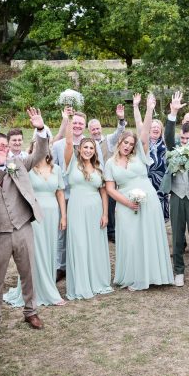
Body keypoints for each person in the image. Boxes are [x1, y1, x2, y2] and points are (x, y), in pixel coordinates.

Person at [0, 107, 50, 338]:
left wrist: (39, 129)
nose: (1, 149)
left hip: (23, 227)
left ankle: (30, 311)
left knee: (28, 272)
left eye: (4, 146)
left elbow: (39, 154)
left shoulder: (18, 163)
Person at [105, 94, 173, 290]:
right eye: (125, 143)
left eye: (130, 144)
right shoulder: (110, 163)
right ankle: (133, 276)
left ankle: (153, 274)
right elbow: (110, 189)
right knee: (130, 239)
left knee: (149, 236)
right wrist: (126, 203)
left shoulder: (139, 155)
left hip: (148, 199)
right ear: (119, 143)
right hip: (125, 204)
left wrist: (147, 108)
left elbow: (143, 133)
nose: (127, 146)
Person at [3, 144, 67, 306]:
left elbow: (60, 192)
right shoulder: (27, 169)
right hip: (33, 215)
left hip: (52, 215)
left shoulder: (57, 169)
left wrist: (63, 216)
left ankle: (49, 287)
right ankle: (32, 291)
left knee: (50, 249)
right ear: (32, 151)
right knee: (35, 251)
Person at [159, 92, 189, 287]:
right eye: (183, 138)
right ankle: (179, 270)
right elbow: (168, 137)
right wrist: (173, 113)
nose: (186, 141)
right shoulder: (175, 147)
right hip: (177, 195)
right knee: (177, 234)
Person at [64, 123, 113, 299]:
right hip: (76, 208)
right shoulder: (71, 164)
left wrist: (105, 213)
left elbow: (104, 192)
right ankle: (81, 283)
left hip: (95, 209)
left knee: (94, 245)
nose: (88, 150)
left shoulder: (99, 169)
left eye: (91, 148)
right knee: (79, 244)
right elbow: (69, 143)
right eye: (85, 147)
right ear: (80, 149)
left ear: (95, 150)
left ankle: (96, 281)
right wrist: (67, 120)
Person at [51, 108, 87, 282]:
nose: (78, 126)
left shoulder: (89, 145)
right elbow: (53, 169)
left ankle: (79, 264)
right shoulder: (58, 146)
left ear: (85, 126)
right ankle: (60, 266)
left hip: (83, 196)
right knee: (61, 232)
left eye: (81, 123)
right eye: (75, 123)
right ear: (70, 125)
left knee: (81, 232)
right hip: (64, 196)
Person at [89, 107, 127, 242]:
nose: (96, 131)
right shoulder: (88, 144)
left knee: (110, 206)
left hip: (108, 180)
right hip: (93, 180)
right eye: (93, 129)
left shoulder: (109, 140)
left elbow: (120, 131)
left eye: (97, 128)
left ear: (101, 128)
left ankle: (111, 231)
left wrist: (121, 119)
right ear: (89, 131)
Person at [146, 119, 169, 220]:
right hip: (147, 180)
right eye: (153, 127)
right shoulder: (144, 144)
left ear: (161, 130)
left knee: (160, 203)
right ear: (149, 130)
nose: (156, 129)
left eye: (158, 127)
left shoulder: (166, 143)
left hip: (162, 180)